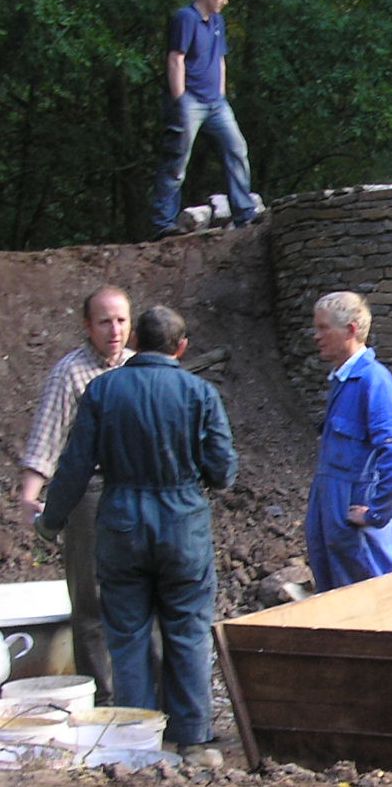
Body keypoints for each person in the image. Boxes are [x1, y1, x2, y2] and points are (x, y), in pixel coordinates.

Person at [36, 306, 237, 764]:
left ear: (137, 344)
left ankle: (138, 738)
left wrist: (51, 521)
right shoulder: (199, 392)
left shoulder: (103, 390)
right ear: (181, 348)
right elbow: (223, 471)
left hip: (122, 520)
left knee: (126, 633)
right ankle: (194, 739)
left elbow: (74, 467)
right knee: (186, 629)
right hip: (182, 522)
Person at [19, 285, 133, 706]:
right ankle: (101, 697)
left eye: (121, 320)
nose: (114, 329)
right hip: (87, 492)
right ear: (88, 327)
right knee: (89, 599)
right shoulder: (70, 373)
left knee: (137, 595)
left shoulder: (139, 369)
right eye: (104, 321)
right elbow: (47, 436)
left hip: (135, 491)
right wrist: (30, 493)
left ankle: (143, 694)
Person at [306, 291, 392, 592]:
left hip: (354, 523)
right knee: (334, 607)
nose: (316, 336)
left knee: (370, 607)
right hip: (332, 515)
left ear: (351, 330)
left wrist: (378, 513)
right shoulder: (343, 380)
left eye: (323, 328)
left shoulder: (373, 381)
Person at [150, 0, 256, 239]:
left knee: (237, 149)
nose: (224, 1)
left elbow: (220, 59)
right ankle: (164, 224)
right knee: (176, 162)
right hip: (190, 101)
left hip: (216, 103)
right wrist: (179, 99)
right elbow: (176, 59)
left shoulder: (217, 21)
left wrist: (220, 94)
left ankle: (245, 214)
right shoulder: (186, 18)